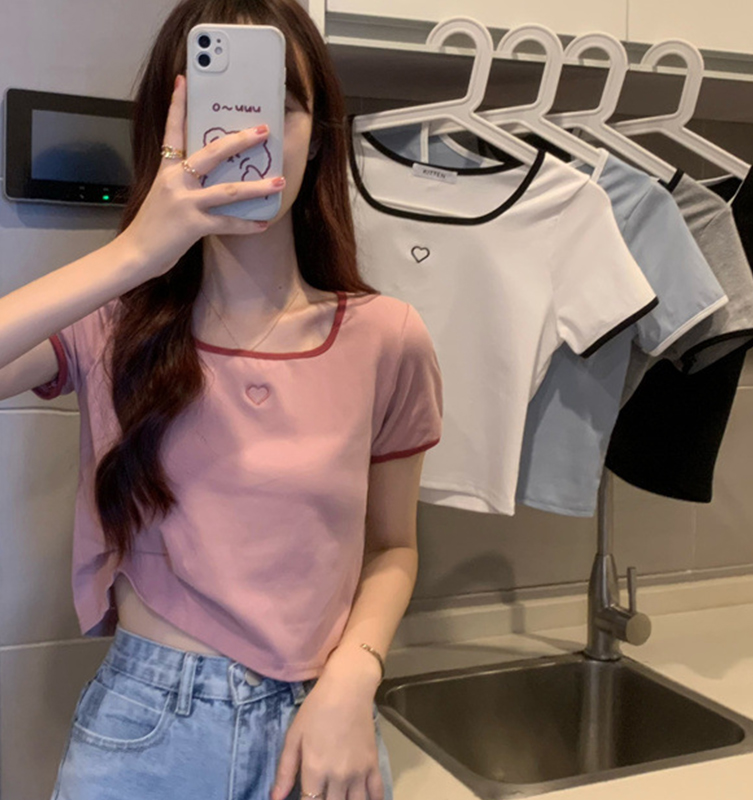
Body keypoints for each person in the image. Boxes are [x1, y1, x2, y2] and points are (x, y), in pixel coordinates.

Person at [0, 1, 444, 799]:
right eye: (220, 108)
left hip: (324, 727)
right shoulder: (110, 324)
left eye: (281, 105)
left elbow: (393, 548)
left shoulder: (388, 338)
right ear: (169, 133)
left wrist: (354, 676)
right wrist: (134, 253)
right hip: (146, 737)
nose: (246, 135)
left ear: (318, 135)